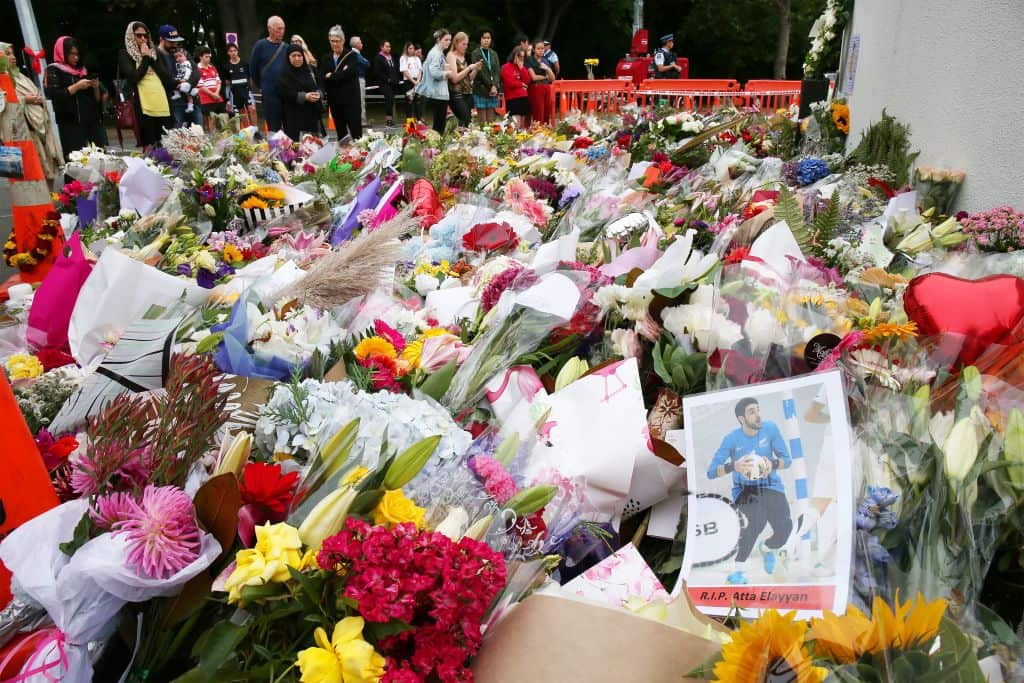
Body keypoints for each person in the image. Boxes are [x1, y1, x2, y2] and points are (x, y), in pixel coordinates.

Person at [706, 397, 793, 585]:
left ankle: (768, 547)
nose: (757, 415)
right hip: (745, 490)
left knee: (785, 527)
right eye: (752, 411)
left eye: (758, 409)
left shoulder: (770, 429)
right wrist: (734, 466)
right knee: (756, 521)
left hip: (771, 485)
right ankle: (738, 571)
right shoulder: (731, 439)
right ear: (741, 419)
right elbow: (711, 472)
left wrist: (773, 463)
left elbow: (787, 460)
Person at [7, 43, 62, 179]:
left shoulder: (20, 76)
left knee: (46, 169)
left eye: (13, 53)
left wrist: (37, 99)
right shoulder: (3, 79)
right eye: (7, 54)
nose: (13, 57)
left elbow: (35, 93)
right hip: (21, 133)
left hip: (37, 128)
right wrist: (25, 100)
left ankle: (49, 198)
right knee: (30, 174)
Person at [43, 36, 101, 162]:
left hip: (90, 120)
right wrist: (76, 87)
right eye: (72, 54)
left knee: (98, 158)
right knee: (76, 162)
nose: (76, 58)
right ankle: (74, 183)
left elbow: (96, 99)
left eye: (77, 54)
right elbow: (52, 94)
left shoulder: (82, 70)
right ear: (62, 53)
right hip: (70, 123)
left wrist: (96, 87)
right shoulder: (53, 69)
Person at [118, 21, 173, 149]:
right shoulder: (125, 53)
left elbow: (167, 79)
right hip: (143, 106)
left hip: (161, 103)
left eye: (145, 35)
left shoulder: (154, 52)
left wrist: (151, 57)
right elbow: (134, 77)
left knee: (165, 146)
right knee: (149, 147)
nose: (143, 39)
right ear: (131, 36)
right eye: (139, 35)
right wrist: (145, 59)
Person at [320, 26, 361, 140]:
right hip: (335, 102)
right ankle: (345, 156)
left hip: (351, 102)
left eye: (337, 41)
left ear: (343, 41)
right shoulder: (326, 58)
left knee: (357, 134)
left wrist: (331, 75)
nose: (334, 44)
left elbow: (348, 74)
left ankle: (361, 156)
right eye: (332, 41)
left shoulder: (352, 56)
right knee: (342, 136)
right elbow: (322, 77)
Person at [277, 44, 323, 140]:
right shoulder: (284, 73)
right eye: (294, 56)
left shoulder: (308, 70)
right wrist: (305, 96)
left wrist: (318, 93)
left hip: (311, 115)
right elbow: (284, 92)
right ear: (288, 57)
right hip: (293, 116)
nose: (297, 58)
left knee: (312, 146)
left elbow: (319, 84)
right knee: (296, 147)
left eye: (299, 55)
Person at [250, 15, 288, 131]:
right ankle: (275, 148)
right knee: (273, 127)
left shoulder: (287, 47)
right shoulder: (260, 46)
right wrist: (264, 85)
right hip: (270, 94)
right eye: (278, 29)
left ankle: (292, 149)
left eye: (283, 28)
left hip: (286, 93)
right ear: (270, 29)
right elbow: (253, 69)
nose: (281, 32)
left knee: (289, 126)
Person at [416, 29, 452, 135]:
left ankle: (436, 146)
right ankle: (436, 147)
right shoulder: (436, 53)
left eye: (449, 40)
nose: (448, 42)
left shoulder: (438, 52)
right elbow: (434, 71)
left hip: (439, 92)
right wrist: (446, 73)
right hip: (438, 93)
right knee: (439, 125)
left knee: (439, 123)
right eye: (446, 40)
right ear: (438, 40)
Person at [445, 32, 480, 128]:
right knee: (466, 120)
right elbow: (455, 79)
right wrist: (468, 68)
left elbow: (469, 78)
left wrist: (476, 69)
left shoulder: (463, 57)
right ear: (456, 43)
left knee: (467, 123)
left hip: (468, 93)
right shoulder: (451, 56)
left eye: (467, 44)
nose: (465, 46)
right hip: (457, 94)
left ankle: (464, 141)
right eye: (463, 44)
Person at [222, 42, 257, 127]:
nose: (233, 53)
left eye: (235, 50)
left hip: (246, 90)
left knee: (252, 109)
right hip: (235, 92)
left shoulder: (245, 63)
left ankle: (255, 130)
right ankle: (247, 130)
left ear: (237, 51)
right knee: (241, 112)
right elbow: (227, 82)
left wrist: (250, 88)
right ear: (228, 53)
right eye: (231, 51)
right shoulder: (226, 66)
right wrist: (228, 96)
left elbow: (250, 77)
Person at [471, 29, 501, 123]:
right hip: (481, 89)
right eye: (484, 38)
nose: (486, 40)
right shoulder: (475, 53)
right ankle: (482, 137)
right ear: (480, 39)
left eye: (488, 38)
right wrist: (490, 85)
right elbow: (480, 72)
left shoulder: (494, 53)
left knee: (491, 120)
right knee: (483, 121)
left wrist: (495, 85)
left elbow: (497, 71)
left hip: (493, 90)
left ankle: (491, 137)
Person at [525, 40, 555, 125]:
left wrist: (548, 69)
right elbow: (534, 77)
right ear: (534, 50)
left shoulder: (545, 61)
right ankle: (537, 132)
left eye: (542, 48)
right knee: (539, 112)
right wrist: (546, 76)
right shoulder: (529, 60)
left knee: (546, 112)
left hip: (546, 87)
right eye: (539, 48)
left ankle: (545, 132)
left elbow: (552, 79)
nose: (541, 50)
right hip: (536, 88)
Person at [500, 47, 530, 129]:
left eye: (523, 57)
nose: (521, 58)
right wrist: (521, 84)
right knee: (516, 125)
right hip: (513, 99)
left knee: (523, 126)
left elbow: (527, 80)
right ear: (514, 55)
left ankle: (523, 141)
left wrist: (522, 69)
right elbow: (510, 83)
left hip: (523, 97)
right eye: (519, 56)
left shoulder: (521, 67)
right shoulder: (506, 67)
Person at [195, 47, 225, 133]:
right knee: (211, 119)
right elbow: (200, 85)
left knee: (223, 117)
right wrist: (212, 94)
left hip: (217, 96)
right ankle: (214, 138)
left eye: (209, 57)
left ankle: (224, 138)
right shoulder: (197, 69)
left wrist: (216, 93)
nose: (208, 59)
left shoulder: (212, 68)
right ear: (200, 57)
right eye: (206, 57)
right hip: (206, 98)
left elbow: (218, 81)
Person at [169, 47, 200, 127]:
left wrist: (188, 83)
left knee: (197, 128)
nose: (179, 58)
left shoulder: (187, 61)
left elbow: (196, 74)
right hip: (177, 102)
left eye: (180, 56)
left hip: (192, 100)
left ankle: (190, 104)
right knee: (177, 127)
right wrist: (177, 84)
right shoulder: (171, 62)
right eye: (176, 57)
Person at [374, 41, 400, 127]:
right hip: (384, 83)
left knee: (392, 100)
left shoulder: (390, 57)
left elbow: (394, 69)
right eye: (387, 46)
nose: (389, 48)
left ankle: (391, 119)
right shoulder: (379, 57)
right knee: (389, 99)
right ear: (382, 47)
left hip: (393, 83)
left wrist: (395, 79)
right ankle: (388, 120)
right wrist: (387, 79)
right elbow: (378, 72)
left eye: (389, 47)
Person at [398, 42, 422, 121]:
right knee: (409, 102)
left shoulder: (417, 58)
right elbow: (404, 71)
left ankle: (419, 120)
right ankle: (410, 123)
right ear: (407, 49)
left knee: (418, 101)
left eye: (413, 48)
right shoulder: (403, 58)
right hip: (408, 81)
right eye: (410, 48)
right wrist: (413, 81)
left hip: (417, 81)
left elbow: (420, 70)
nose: (412, 50)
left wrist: (418, 80)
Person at [348, 36, 369, 126]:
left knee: (357, 100)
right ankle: (362, 121)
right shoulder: (355, 54)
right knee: (360, 100)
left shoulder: (355, 54)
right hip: (359, 79)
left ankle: (358, 120)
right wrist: (366, 61)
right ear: (356, 44)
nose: (362, 44)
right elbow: (366, 63)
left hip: (357, 79)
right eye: (360, 42)